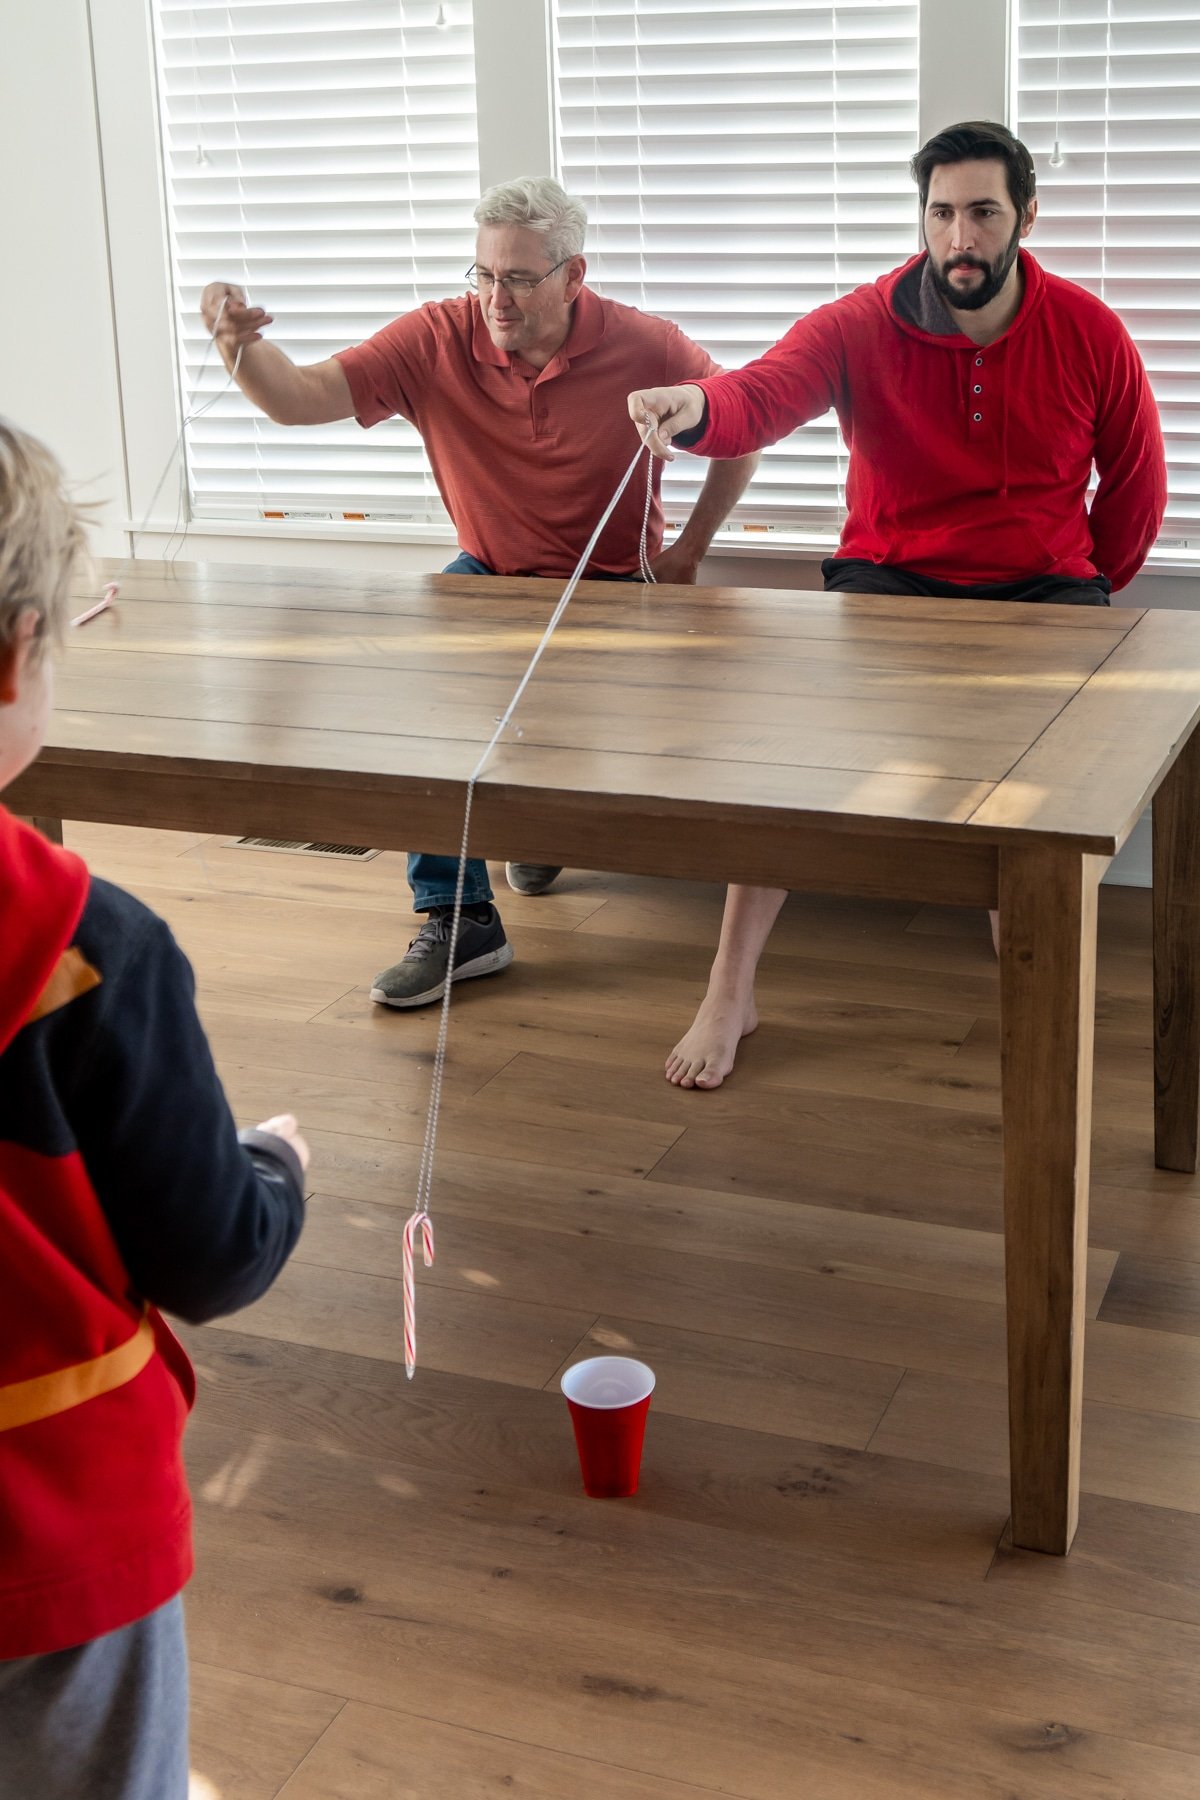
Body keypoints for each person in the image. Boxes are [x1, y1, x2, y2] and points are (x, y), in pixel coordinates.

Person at [627, 119, 1167, 1090]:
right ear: (923, 219)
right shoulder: (859, 322)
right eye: (943, 213)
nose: (962, 237)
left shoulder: (1090, 331)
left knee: (1037, 794)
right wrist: (695, 410)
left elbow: (1136, 488)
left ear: (1026, 218)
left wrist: (1087, 590)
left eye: (984, 214)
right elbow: (765, 393)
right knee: (787, 766)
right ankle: (730, 989)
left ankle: (1029, 969)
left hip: (1042, 589)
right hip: (891, 578)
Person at [200, 175, 758, 1010]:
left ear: (574, 276)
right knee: (422, 695)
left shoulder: (647, 346)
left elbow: (739, 430)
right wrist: (234, 344)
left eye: (521, 279)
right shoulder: (435, 337)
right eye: (484, 274)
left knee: (582, 730)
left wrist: (685, 555)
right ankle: (461, 918)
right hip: (485, 580)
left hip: (608, 589)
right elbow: (299, 398)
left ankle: (538, 829)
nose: (496, 298)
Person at [0, 419, 309, 1799]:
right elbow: (209, 1251)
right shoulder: (86, 947)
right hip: (50, 1528)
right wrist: (277, 1174)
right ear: (16, 657)